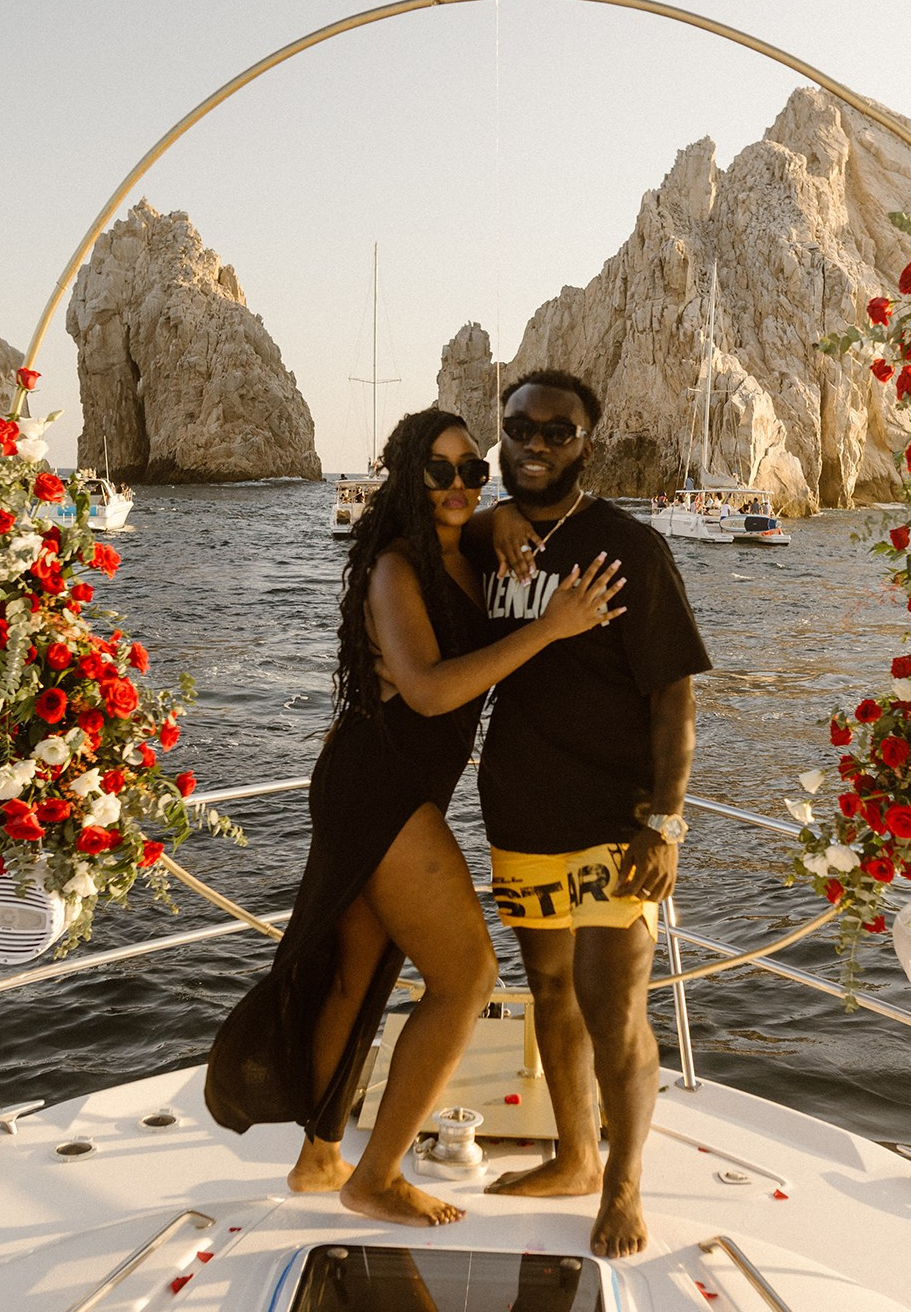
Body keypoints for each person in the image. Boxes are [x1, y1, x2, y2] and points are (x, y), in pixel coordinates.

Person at [205, 408, 625, 1226]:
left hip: (395, 784)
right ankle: (378, 1175)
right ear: (406, 478)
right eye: (439, 471)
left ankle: (322, 1155)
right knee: (467, 977)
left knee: (360, 974)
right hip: (380, 785)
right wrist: (552, 627)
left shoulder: (457, 549)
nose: (459, 485)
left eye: (472, 470)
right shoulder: (397, 568)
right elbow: (429, 688)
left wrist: (500, 516)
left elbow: (496, 520)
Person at [464, 370, 712, 1257]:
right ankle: (573, 1157)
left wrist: (668, 821)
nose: (534, 444)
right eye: (519, 427)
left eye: (556, 433)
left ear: (586, 444)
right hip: (520, 811)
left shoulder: (629, 550)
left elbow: (674, 698)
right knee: (551, 994)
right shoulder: (485, 542)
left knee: (616, 1008)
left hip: (618, 818)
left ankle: (624, 1183)